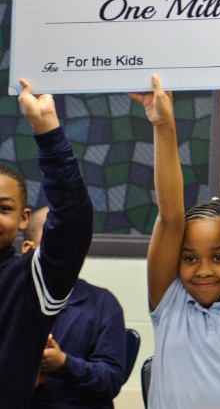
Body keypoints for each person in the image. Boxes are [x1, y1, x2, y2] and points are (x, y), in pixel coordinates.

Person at [131, 74, 220, 409]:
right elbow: (170, 216)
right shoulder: (169, 303)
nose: (203, 270)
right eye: (190, 258)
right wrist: (162, 124)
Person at [0, 79, 94, 407]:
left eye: (3, 208)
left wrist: (47, 131)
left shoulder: (26, 282)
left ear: (24, 219)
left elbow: (72, 224)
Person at [22, 207, 126, 409]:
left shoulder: (103, 304)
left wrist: (63, 364)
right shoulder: (12, 301)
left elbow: (111, 380)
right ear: (29, 248)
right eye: (55, 236)